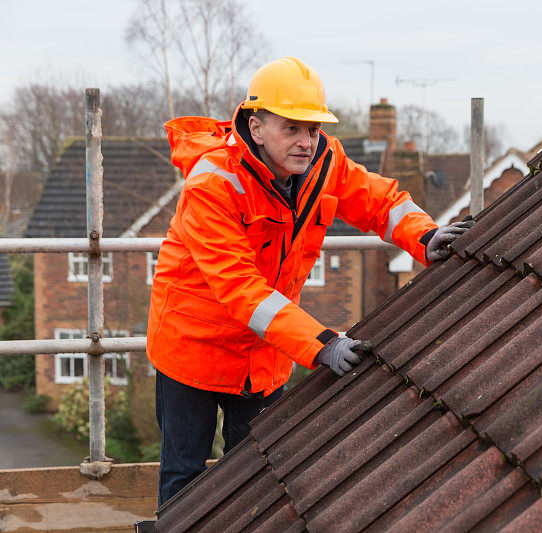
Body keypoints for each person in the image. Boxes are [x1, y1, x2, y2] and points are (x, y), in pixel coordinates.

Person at [146, 57, 474, 505]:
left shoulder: (323, 162)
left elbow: (379, 201)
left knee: (257, 480)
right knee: (184, 483)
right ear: (256, 127)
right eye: (292, 128)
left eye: (313, 129)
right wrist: (321, 343)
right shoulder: (213, 185)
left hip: (263, 356)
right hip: (192, 350)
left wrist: (427, 234)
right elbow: (242, 288)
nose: (306, 142)